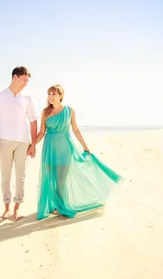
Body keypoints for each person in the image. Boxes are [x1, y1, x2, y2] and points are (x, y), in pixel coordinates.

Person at [33, 84, 121, 220]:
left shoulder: (69, 111)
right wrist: (32, 145)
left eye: (53, 94)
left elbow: (75, 130)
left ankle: (62, 208)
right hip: (49, 149)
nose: (50, 97)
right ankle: (55, 205)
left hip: (65, 149)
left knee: (61, 181)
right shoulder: (45, 112)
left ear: (61, 96)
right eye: (49, 94)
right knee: (51, 180)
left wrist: (85, 146)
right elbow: (41, 132)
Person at [0, 66, 38, 220]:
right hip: (4, 140)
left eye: (27, 81)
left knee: (21, 176)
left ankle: (17, 208)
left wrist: (34, 144)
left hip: (23, 142)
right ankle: (6, 207)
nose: (25, 83)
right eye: (24, 80)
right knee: (5, 176)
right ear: (15, 77)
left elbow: (33, 122)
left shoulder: (27, 98)